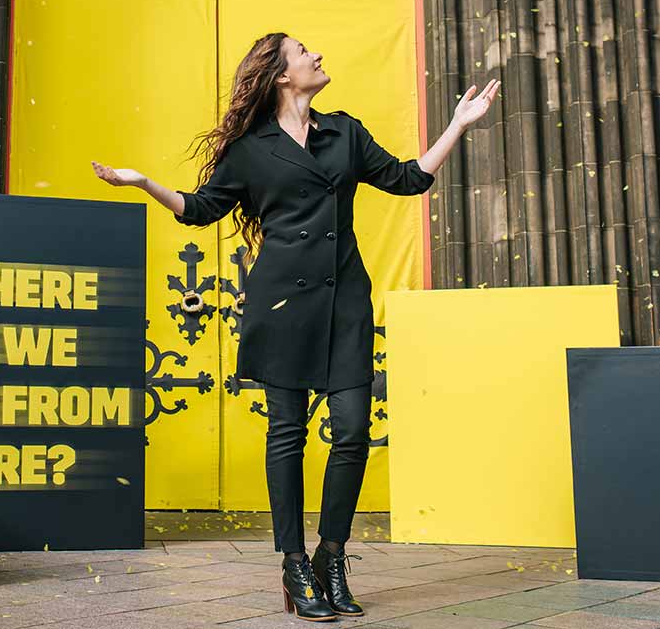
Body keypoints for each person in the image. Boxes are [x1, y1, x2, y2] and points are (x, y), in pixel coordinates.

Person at [92, 33, 497, 622]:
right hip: (281, 305)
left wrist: (458, 124)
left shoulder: (344, 132)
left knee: (352, 431)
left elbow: (408, 179)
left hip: (344, 302)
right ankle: (293, 562)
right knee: (287, 434)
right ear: (282, 75)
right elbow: (203, 209)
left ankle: (332, 556)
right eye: (305, 52)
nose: (318, 56)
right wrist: (144, 183)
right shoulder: (250, 149)